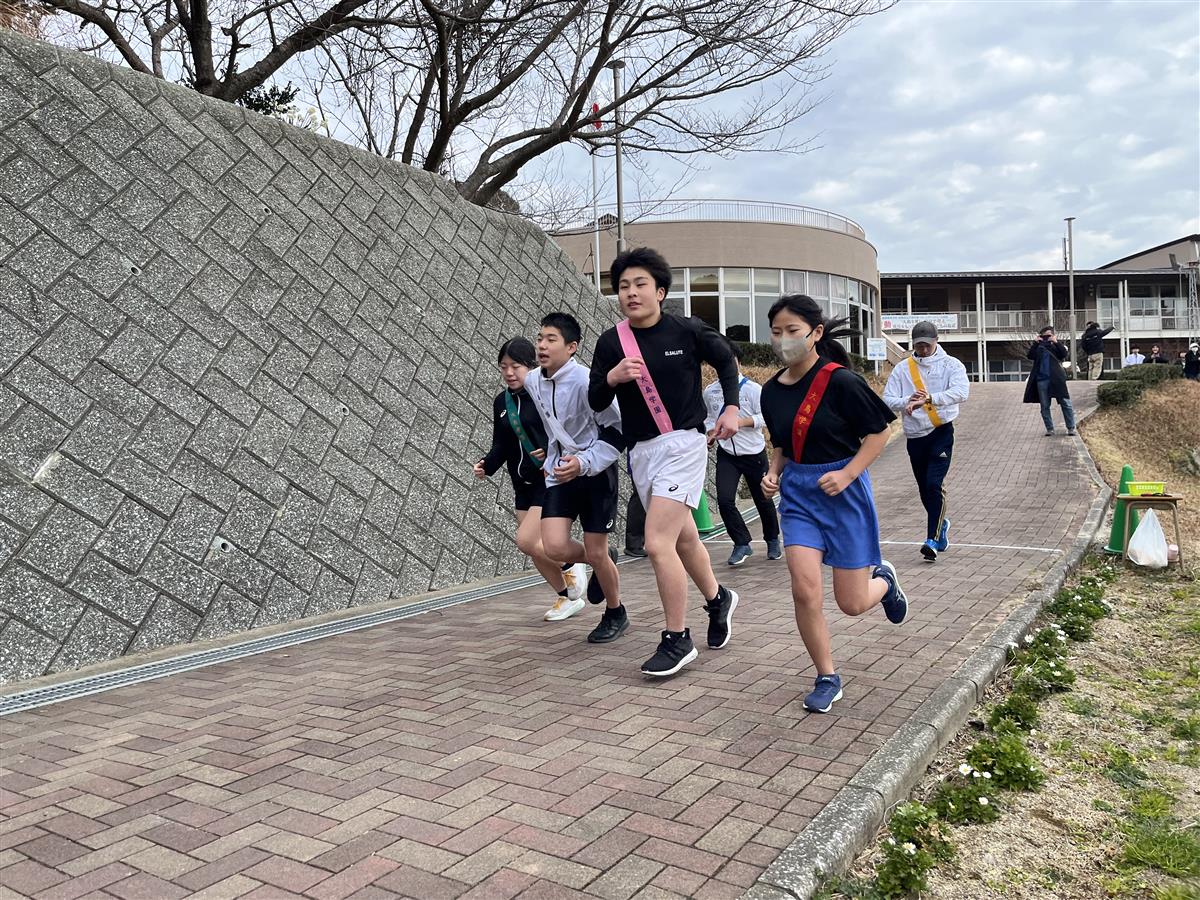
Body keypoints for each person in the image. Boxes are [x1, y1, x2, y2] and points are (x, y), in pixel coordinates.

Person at [589, 247, 742, 677]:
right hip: (641, 451)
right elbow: (595, 398)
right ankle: (718, 600)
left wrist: (731, 407)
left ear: (659, 291)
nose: (631, 293)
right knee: (684, 539)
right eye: (623, 287)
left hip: (683, 445)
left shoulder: (686, 330)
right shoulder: (611, 342)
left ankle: (677, 638)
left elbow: (726, 360)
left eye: (640, 285)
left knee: (657, 542)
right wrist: (612, 378)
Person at [759, 294, 907, 714]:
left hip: (843, 492)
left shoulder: (841, 381)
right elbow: (784, 443)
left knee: (852, 603)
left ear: (816, 333)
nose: (784, 339)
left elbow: (879, 433)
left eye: (792, 331)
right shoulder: (771, 391)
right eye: (776, 332)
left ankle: (885, 582)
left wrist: (847, 474)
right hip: (799, 497)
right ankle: (827, 675)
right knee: (805, 591)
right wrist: (774, 473)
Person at [524, 313, 627, 644]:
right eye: (540, 338)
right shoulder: (532, 382)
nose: (542, 345)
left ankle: (615, 612)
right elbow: (551, 423)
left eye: (551, 339)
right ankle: (603, 559)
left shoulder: (586, 381)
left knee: (594, 550)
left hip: (596, 473)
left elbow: (617, 431)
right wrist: (550, 453)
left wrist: (582, 462)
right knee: (553, 545)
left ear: (571, 347)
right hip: (559, 472)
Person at [474, 338, 587, 620]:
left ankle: (577, 561)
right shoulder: (503, 401)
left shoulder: (545, 394)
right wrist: (486, 465)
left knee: (526, 541)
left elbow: (564, 434)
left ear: (532, 366)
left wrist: (549, 451)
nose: (509, 373)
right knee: (535, 550)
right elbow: (501, 443)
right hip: (521, 482)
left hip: (547, 480)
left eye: (516, 366)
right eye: (504, 367)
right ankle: (567, 596)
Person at [882, 322, 970, 563]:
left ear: (935, 341)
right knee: (924, 489)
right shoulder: (902, 369)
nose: (922, 349)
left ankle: (931, 540)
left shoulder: (952, 365)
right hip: (914, 436)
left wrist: (930, 398)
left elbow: (962, 392)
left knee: (934, 484)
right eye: (918, 345)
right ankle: (941, 525)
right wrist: (907, 401)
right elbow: (888, 399)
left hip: (941, 431)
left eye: (926, 345)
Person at [702, 340, 782, 567]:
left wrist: (741, 422)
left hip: (754, 453)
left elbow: (767, 418)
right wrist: (710, 432)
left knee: (762, 499)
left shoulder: (753, 389)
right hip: (727, 454)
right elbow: (708, 417)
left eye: (730, 361)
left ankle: (772, 539)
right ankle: (741, 542)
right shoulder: (711, 391)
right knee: (725, 500)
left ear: (738, 361)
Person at [1024, 326, 1077, 436]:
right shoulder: (1038, 347)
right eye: (1044, 336)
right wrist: (1035, 343)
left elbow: (1063, 354)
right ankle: (1050, 429)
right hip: (1041, 380)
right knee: (1044, 406)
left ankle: (1071, 428)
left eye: (1048, 336)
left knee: (1066, 403)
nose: (1046, 338)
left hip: (1057, 379)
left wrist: (1056, 342)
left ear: (1053, 335)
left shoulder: (1056, 346)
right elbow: (1030, 356)